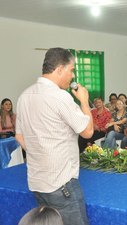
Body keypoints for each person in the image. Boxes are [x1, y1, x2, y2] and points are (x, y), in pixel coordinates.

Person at [15, 47, 93, 225]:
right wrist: (83, 101)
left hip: (37, 182)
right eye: (71, 70)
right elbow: (87, 131)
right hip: (61, 183)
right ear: (59, 69)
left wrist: (40, 151)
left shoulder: (24, 96)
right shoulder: (60, 97)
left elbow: (19, 136)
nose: (73, 76)